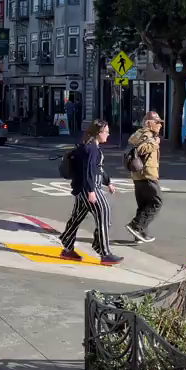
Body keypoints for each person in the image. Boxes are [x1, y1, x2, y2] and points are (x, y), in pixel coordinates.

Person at [58, 120, 123, 266]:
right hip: (89, 189)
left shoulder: (90, 146)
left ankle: (67, 246)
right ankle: (104, 252)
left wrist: (108, 182)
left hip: (83, 188)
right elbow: (88, 171)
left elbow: (97, 169)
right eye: (106, 132)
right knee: (104, 214)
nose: (108, 135)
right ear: (99, 133)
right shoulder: (91, 148)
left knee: (77, 218)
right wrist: (91, 191)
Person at [126, 112, 164, 244]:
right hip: (147, 174)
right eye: (157, 123)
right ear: (149, 123)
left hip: (138, 174)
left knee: (143, 205)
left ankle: (140, 234)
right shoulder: (148, 135)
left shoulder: (138, 133)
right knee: (157, 201)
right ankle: (135, 226)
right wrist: (155, 143)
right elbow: (140, 149)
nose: (160, 125)